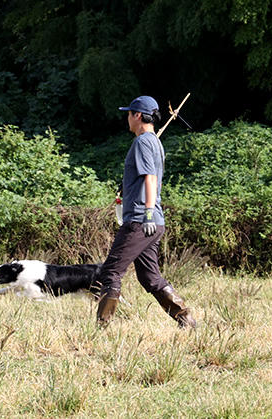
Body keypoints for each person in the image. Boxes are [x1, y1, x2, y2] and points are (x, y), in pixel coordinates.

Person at [92, 95, 196, 328]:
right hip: (153, 222)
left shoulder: (142, 143)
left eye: (129, 114)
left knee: (111, 271)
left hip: (142, 220)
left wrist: (147, 212)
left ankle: (101, 328)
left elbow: (150, 177)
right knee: (149, 277)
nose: (127, 118)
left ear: (137, 115)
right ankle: (186, 320)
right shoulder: (153, 142)